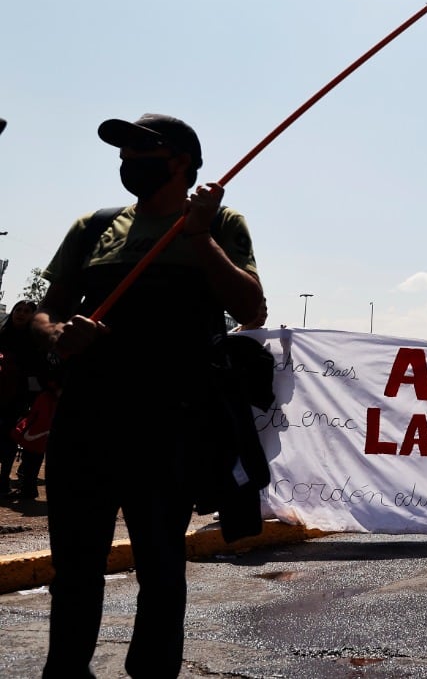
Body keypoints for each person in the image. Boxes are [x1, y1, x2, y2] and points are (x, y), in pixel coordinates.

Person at [33, 113, 264, 678]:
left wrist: (199, 235)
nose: (126, 160)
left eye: (141, 149)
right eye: (122, 150)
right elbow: (44, 308)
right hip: (86, 419)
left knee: (160, 564)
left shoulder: (219, 222)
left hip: (171, 423)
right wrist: (58, 333)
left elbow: (252, 308)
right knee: (75, 565)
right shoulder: (94, 226)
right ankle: (65, 671)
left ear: (181, 160)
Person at [0, 300, 43, 498]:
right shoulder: (3, 335)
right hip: (2, 395)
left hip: (25, 398)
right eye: (18, 310)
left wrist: (33, 399)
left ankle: (20, 482)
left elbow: (38, 372)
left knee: (19, 440)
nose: (21, 314)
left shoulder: (37, 341)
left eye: (27, 311)